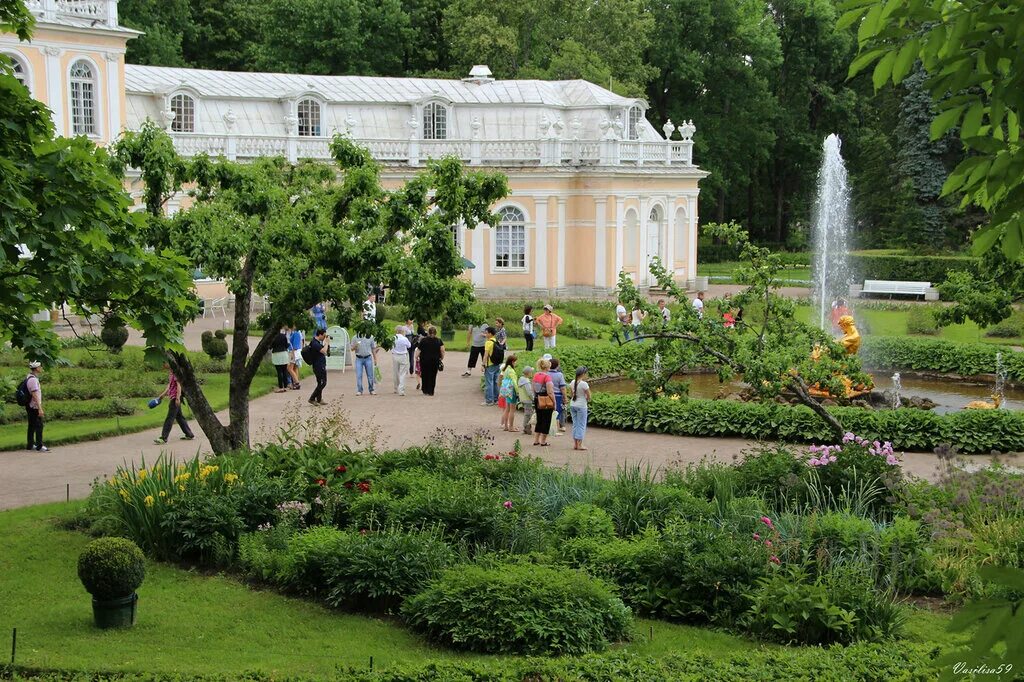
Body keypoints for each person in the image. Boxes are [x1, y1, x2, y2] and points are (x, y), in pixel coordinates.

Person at [154, 364, 195, 444]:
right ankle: (189, 434)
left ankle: (164, 438)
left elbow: (179, 385)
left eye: (164, 363)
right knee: (179, 417)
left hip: (175, 398)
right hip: (173, 397)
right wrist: (163, 394)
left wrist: (177, 398)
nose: (163, 364)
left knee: (170, 418)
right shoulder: (171, 372)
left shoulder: (176, 372)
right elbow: (170, 385)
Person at [532, 359, 556, 447]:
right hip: (546, 399)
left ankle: (536, 440)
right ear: (547, 367)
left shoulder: (536, 375)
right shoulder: (547, 377)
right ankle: (543, 441)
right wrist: (554, 402)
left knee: (539, 419)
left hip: (537, 398)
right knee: (546, 420)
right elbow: (550, 391)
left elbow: (533, 388)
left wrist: (536, 396)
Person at [24, 361, 47, 452]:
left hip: (30, 405)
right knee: (39, 425)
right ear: (37, 368)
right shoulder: (33, 380)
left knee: (32, 425)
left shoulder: (29, 377)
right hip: (34, 406)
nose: (41, 368)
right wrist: (40, 408)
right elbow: (34, 394)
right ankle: (39, 445)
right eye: (40, 367)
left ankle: (30, 445)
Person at [416, 326, 445, 396]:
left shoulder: (423, 340)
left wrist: (416, 357)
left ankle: (425, 389)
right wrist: (442, 358)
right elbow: (442, 350)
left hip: (424, 360)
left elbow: (418, 350)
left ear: (428, 332)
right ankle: (431, 390)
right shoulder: (439, 340)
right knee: (433, 375)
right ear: (436, 332)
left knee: (425, 374)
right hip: (435, 360)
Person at [569, 366, 591, 451]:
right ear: (583, 374)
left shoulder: (572, 382)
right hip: (581, 406)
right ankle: (580, 444)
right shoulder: (584, 384)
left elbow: (571, 395)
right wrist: (586, 399)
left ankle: (575, 444)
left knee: (575, 424)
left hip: (573, 404)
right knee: (581, 425)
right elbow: (589, 396)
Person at [350, 332, 378, 396]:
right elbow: (351, 349)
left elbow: (373, 348)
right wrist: (355, 346)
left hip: (368, 357)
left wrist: (375, 358)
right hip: (359, 358)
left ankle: (371, 389)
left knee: (370, 375)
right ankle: (359, 390)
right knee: (359, 375)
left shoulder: (370, 337)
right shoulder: (355, 337)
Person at [308, 329, 331, 405]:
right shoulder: (315, 343)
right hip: (318, 366)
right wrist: (327, 343)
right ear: (320, 335)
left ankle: (319, 399)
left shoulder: (317, 342)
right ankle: (312, 398)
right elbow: (324, 351)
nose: (324, 337)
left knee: (320, 383)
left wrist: (327, 344)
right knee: (323, 383)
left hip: (320, 365)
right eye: (324, 336)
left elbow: (327, 353)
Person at [482, 326, 502, 406]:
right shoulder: (496, 341)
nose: (485, 334)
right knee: (495, 382)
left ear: (490, 334)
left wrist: (483, 364)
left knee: (489, 382)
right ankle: (496, 399)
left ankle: (489, 401)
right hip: (497, 364)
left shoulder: (488, 342)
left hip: (490, 364)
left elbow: (485, 355)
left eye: (486, 333)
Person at [498, 354, 518, 431]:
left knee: (507, 409)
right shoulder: (511, 371)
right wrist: (517, 392)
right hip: (511, 390)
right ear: (512, 362)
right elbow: (514, 382)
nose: (516, 363)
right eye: (515, 362)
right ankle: (511, 427)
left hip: (506, 390)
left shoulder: (505, 369)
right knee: (512, 410)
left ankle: (506, 426)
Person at [391, 324, 412, 396]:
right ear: (402, 331)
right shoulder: (404, 338)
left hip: (395, 356)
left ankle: (396, 388)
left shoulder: (393, 338)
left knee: (395, 372)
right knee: (402, 373)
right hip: (403, 356)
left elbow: (391, 346)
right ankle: (401, 390)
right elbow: (409, 346)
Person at [549, 357, 568, 435]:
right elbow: (563, 387)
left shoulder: (546, 373)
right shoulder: (559, 375)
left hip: (548, 394)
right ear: (557, 366)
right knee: (557, 411)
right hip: (558, 395)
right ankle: (555, 429)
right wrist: (565, 397)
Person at [270, 327, 292, 393]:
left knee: (279, 371)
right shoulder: (283, 336)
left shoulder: (272, 337)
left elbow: (270, 346)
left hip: (276, 354)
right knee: (284, 371)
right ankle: (285, 386)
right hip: (284, 353)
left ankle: (280, 387)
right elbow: (287, 345)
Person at [518, 366, 535, 436]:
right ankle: (526, 427)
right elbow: (529, 392)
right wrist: (533, 398)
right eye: (531, 372)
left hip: (523, 399)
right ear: (528, 373)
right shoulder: (526, 381)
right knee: (528, 414)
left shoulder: (521, 379)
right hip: (528, 400)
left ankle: (526, 427)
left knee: (527, 413)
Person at [287, 325, 303, 389]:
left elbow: (295, 346)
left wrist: (292, 355)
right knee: (295, 368)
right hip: (296, 352)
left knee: (289, 368)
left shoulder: (296, 334)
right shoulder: (296, 333)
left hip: (294, 352)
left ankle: (296, 382)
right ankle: (295, 382)